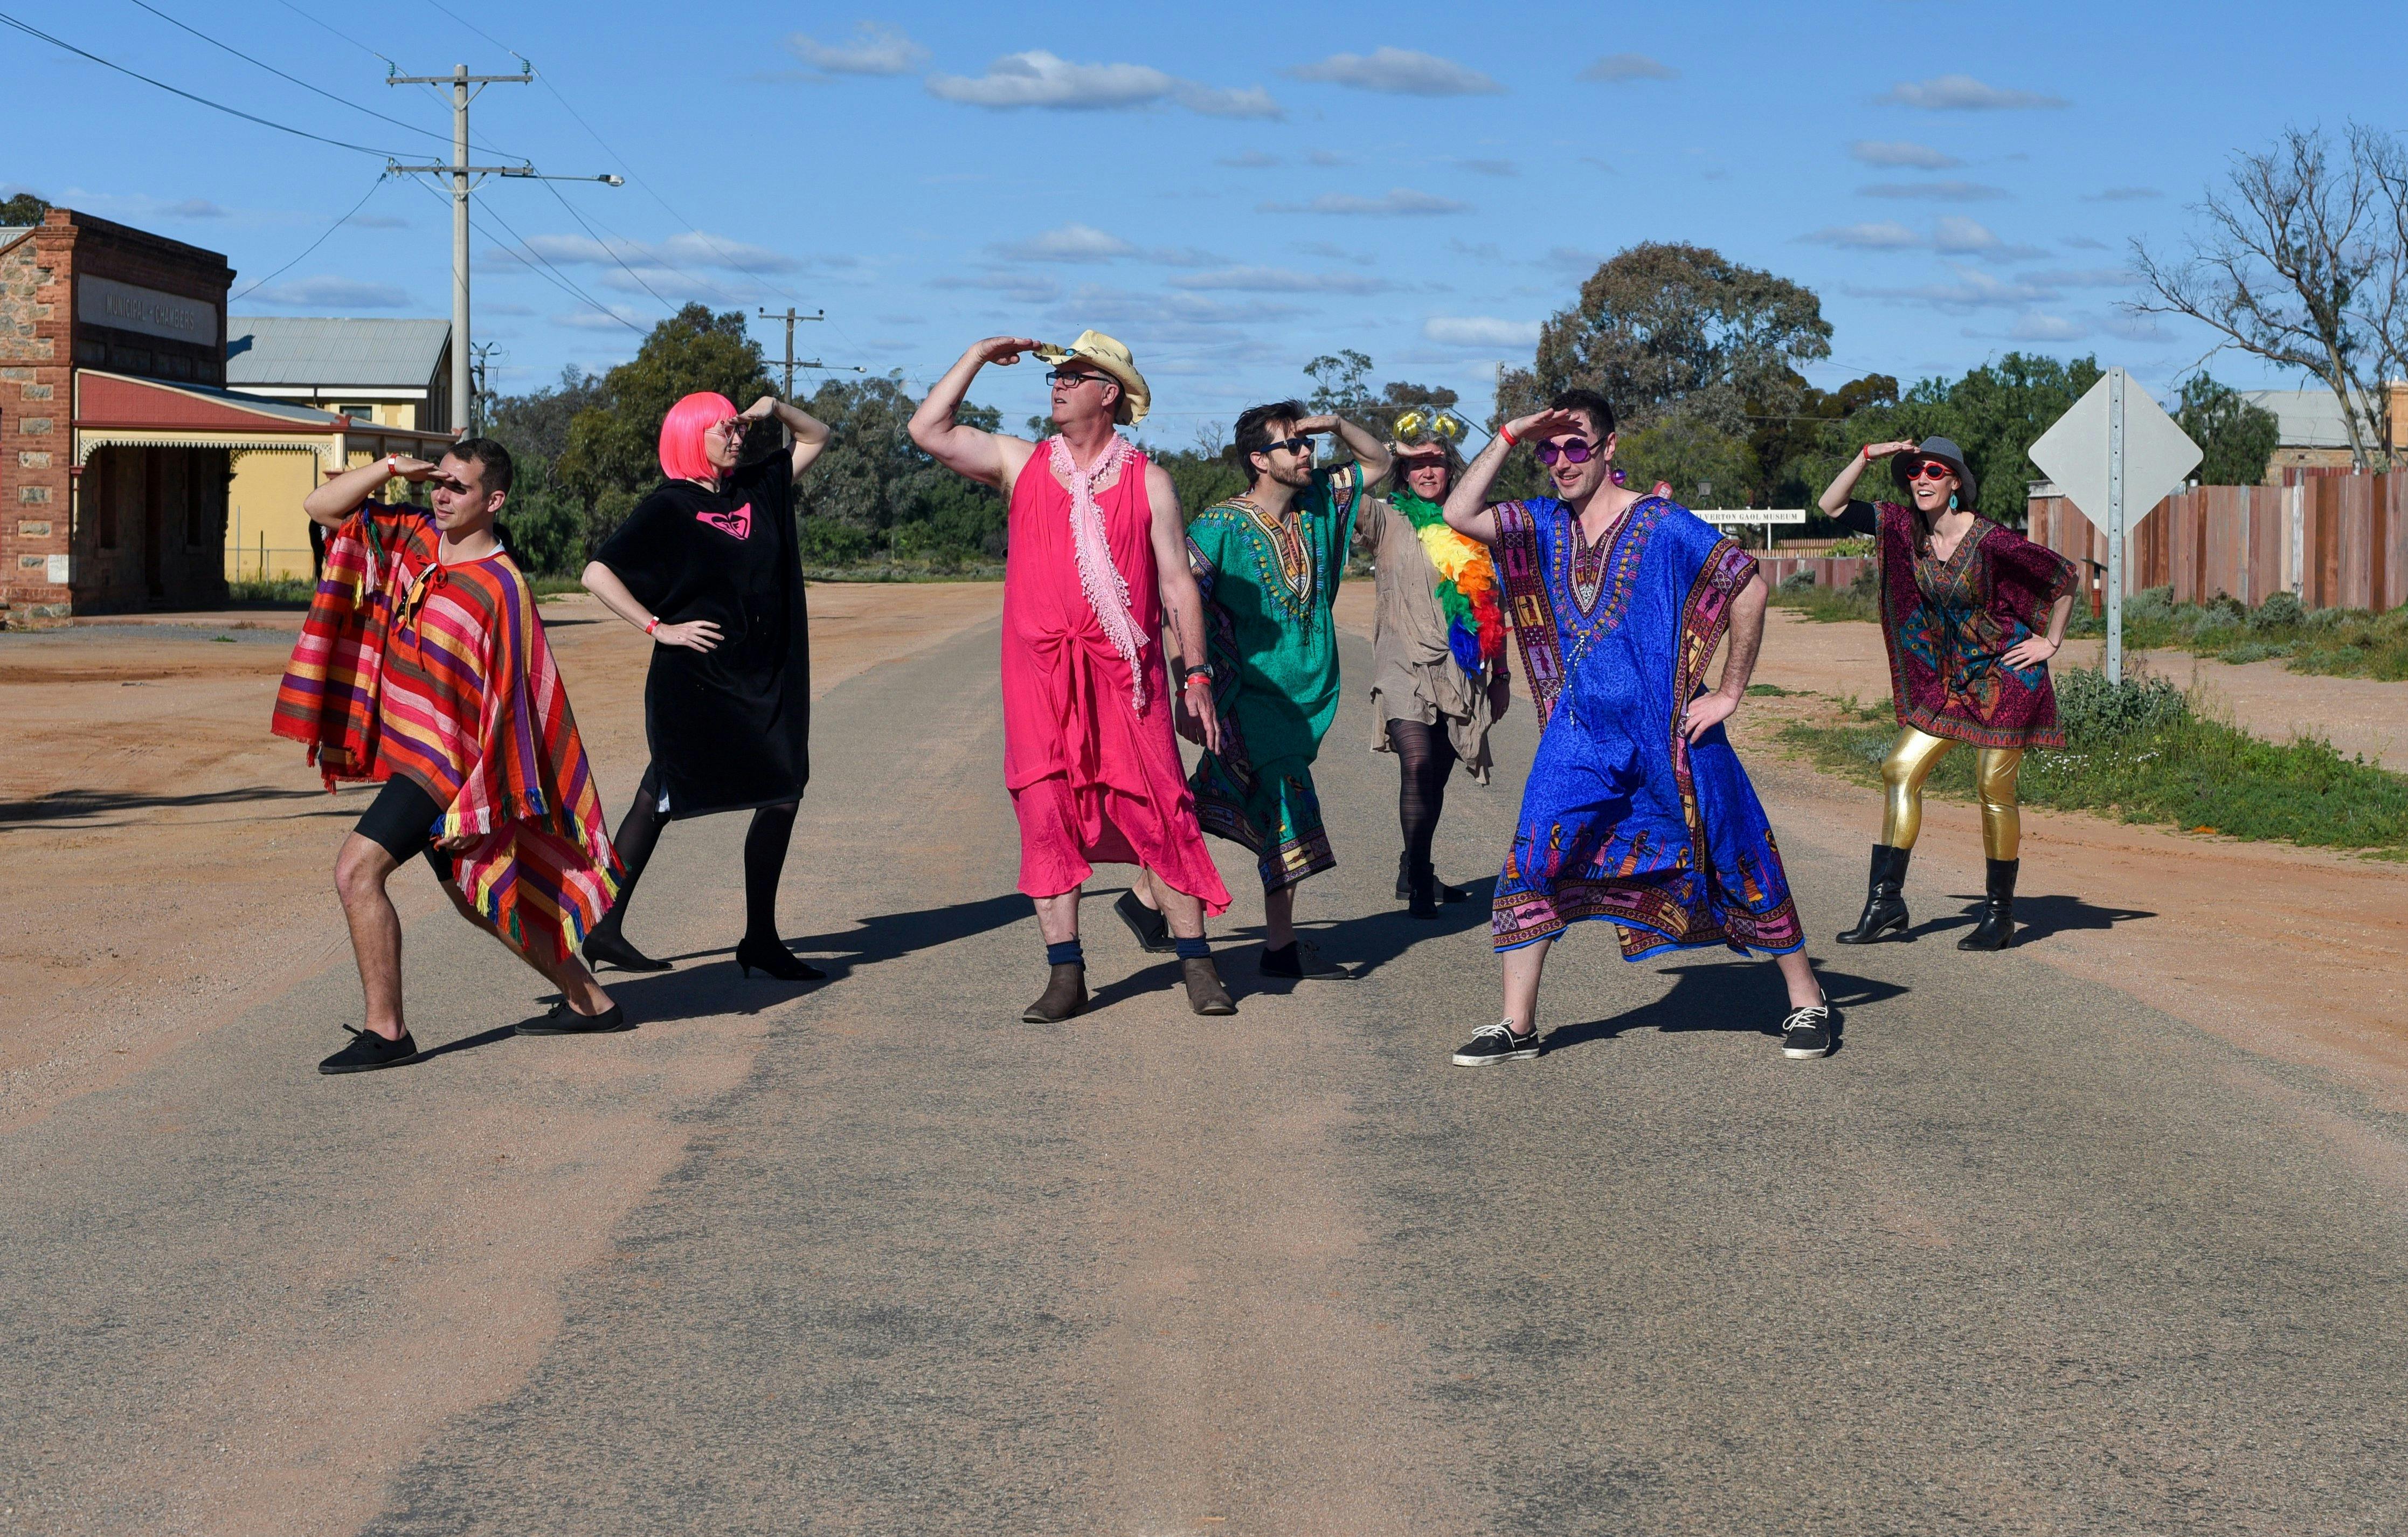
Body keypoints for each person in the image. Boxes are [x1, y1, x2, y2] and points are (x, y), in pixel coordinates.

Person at [1439, 390, 1831, 1065]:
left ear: (1609, 448)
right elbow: (1458, 512)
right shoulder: (1540, 523)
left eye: (1576, 444)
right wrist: (1509, 432)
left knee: (1735, 844)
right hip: (1579, 733)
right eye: (1550, 449)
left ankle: (1807, 999)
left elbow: (1749, 586)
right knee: (1533, 856)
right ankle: (1517, 1024)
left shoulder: (1662, 524)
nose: (1561, 461)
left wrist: (1730, 692)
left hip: (1670, 731)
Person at [908, 330, 1238, 1022]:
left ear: (1108, 394)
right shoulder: (1020, 462)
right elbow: (927, 428)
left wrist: (1196, 675)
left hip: (1127, 679)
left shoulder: (1149, 480)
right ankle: (1066, 974)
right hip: (1039, 680)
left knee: (1161, 807)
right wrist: (973, 355)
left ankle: (1196, 963)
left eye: (1073, 375)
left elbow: (1177, 584)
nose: (1055, 384)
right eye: (1054, 375)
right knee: (1045, 810)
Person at [274, 441, 623, 1074]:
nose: (441, 495)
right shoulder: (410, 536)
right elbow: (320, 508)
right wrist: (389, 470)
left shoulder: (502, 586)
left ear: (494, 501)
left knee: (357, 872)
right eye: (440, 483)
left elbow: (518, 703)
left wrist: (488, 797)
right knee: (477, 896)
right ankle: (591, 1001)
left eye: (458, 488)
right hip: (412, 747)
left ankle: (388, 1031)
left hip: (451, 766)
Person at [577, 391, 831, 980]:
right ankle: (603, 925)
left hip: (765, 673)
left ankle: (761, 939)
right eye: (725, 430)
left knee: (783, 789)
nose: (737, 438)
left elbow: (817, 436)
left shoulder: (758, 487)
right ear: (693, 435)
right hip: (696, 677)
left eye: (738, 429)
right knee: (662, 793)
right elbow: (596, 572)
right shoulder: (669, 505)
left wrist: (773, 411)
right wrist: (657, 627)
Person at [1817, 437, 2077, 950]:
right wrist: (1870, 455)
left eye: (1935, 472)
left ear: (1955, 482)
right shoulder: (1904, 531)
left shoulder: (1989, 539)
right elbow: (1832, 505)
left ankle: (1999, 914)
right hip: (1953, 682)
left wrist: (2050, 641)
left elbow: (2062, 576)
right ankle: (1886, 902)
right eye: (1915, 472)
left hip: (2006, 676)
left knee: (1991, 786)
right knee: (1899, 768)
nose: (1922, 479)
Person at [1177, 400, 1392, 978]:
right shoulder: (1218, 525)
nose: (1305, 454)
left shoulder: (1320, 502)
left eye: (1308, 445)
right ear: (1257, 459)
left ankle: (1148, 902)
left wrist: (1335, 426)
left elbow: (1379, 461)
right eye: (1292, 445)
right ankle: (1280, 949)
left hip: (1309, 695)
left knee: (1219, 794)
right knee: (1286, 803)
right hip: (1250, 693)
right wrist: (1187, 680)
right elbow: (1179, 601)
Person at [1354, 405, 1511, 918]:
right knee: (1417, 763)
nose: (1426, 471)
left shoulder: (1474, 523)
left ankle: (1413, 861)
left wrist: (1502, 675)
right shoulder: (1386, 517)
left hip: (1460, 673)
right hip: (1401, 666)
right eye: (1415, 462)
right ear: (1403, 469)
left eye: (1436, 462)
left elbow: (1492, 603)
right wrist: (1353, 435)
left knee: (1436, 775)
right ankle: (1421, 878)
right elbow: (1355, 481)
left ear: (1451, 469)